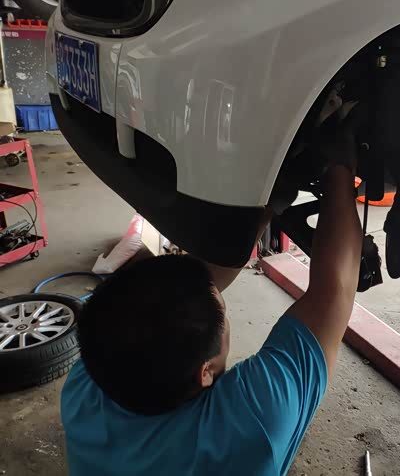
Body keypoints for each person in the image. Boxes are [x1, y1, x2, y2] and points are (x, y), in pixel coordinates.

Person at [60, 122, 363, 475]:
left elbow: (197, 285)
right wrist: (341, 168)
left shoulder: (87, 385)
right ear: (205, 371)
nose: (217, 292)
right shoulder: (250, 424)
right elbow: (334, 291)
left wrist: (268, 198)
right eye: (222, 311)